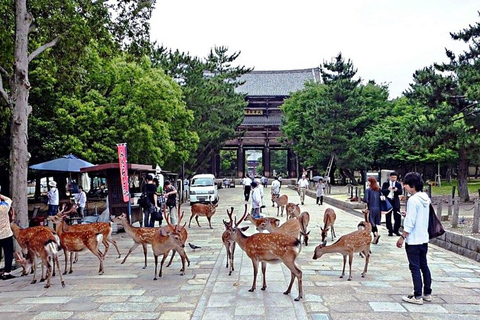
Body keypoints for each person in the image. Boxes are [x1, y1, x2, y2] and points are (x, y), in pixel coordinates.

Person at [396, 172, 432, 305]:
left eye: (405, 185)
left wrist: (402, 237)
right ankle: (427, 293)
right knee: (424, 266)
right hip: (423, 238)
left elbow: (410, 222)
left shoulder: (412, 200)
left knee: (414, 267)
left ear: (412, 185)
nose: (404, 187)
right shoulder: (425, 198)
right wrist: (408, 214)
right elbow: (419, 217)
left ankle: (417, 296)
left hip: (413, 240)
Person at [382, 171, 403, 236]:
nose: (393, 179)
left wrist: (396, 190)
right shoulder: (386, 183)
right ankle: (390, 230)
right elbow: (383, 191)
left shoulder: (398, 184)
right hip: (388, 200)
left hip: (395, 200)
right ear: (390, 177)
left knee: (397, 216)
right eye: (392, 177)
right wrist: (388, 189)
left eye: (395, 177)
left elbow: (400, 192)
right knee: (388, 216)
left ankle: (396, 230)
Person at [362, 176, 382, 244]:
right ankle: (375, 235)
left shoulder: (368, 190)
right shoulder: (379, 189)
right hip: (378, 208)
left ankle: (375, 234)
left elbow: (366, 199)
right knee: (374, 222)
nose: (367, 182)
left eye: (368, 181)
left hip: (371, 208)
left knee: (370, 223)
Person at [0, 192, 15, 280]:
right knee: (8, 253)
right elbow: (9, 200)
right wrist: (1, 195)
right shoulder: (4, 207)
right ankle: (7, 272)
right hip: (6, 234)